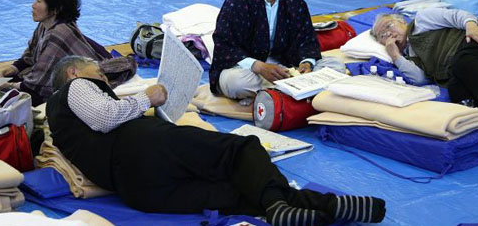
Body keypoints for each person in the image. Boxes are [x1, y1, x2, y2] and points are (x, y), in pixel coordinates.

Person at [47, 56, 386, 226]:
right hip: (143, 149)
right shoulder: (74, 88)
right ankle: (292, 204)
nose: (102, 74)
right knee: (243, 149)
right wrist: (146, 99)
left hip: (138, 191)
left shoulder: (63, 124)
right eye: (96, 70)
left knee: (236, 194)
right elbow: (107, 118)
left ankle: (317, 210)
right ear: (74, 73)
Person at [210, 0, 346, 104]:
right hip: (251, 71)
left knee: (335, 65)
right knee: (237, 82)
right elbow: (224, 46)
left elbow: (308, 41)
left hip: (284, 68)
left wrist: (307, 63)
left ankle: (276, 93)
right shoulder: (239, 1)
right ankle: (293, 91)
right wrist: (259, 66)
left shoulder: (296, 3)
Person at [371, 8, 478, 125]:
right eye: (383, 36)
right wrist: (395, 56)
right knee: (458, 94)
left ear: (401, 21)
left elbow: (457, 15)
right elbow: (420, 79)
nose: (389, 34)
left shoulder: (421, 21)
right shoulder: (409, 56)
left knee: (462, 61)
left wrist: (471, 26)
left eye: (388, 26)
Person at [0, 0, 107, 106]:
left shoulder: (58, 34)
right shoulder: (44, 25)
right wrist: (10, 70)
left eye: (38, 1)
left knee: (14, 98)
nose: (33, 5)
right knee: (7, 84)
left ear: (55, 9)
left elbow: (37, 83)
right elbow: (30, 55)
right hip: (48, 77)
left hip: (77, 83)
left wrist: (8, 85)